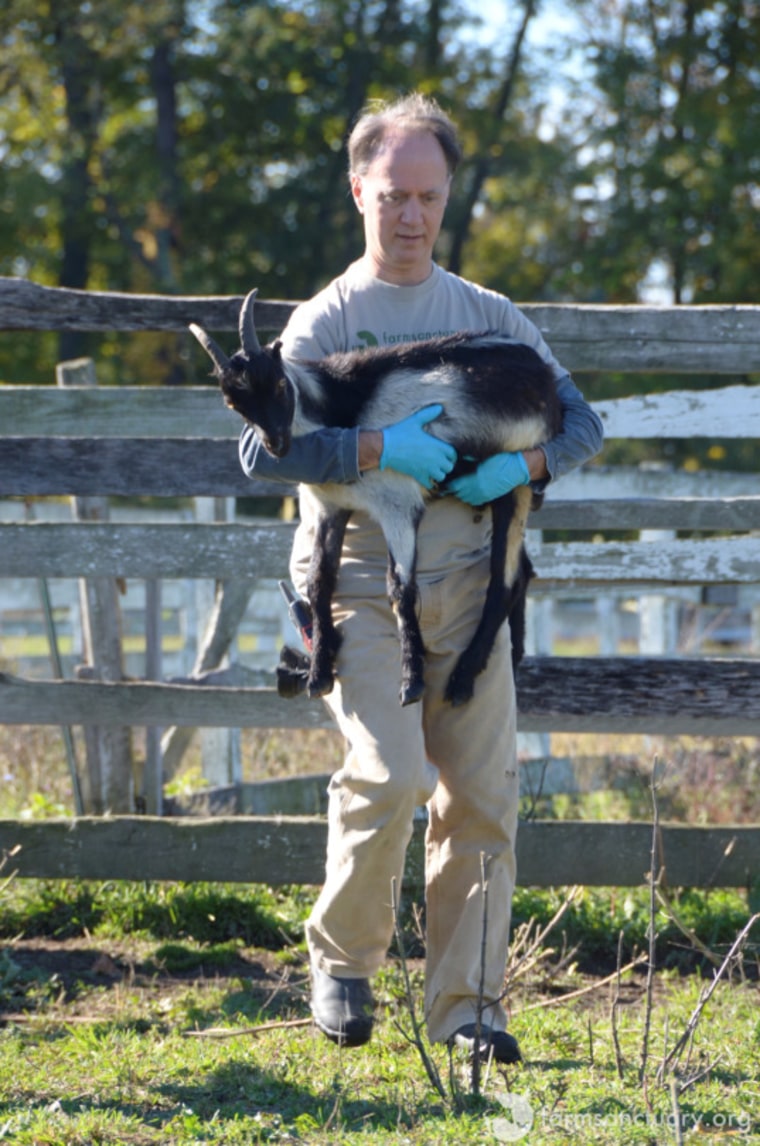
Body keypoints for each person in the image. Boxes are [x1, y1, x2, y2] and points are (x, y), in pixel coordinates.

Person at [240, 93, 603, 1062]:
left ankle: (469, 1011)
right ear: (358, 190)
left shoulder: (489, 317)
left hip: (479, 584)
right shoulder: (326, 321)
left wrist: (517, 469)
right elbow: (263, 453)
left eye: (426, 196)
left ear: (446, 199)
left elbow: (582, 427)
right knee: (389, 772)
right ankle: (343, 959)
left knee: (481, 796)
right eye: (392, 194)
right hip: (361, 576)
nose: (409, 215)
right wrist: (370, 446)